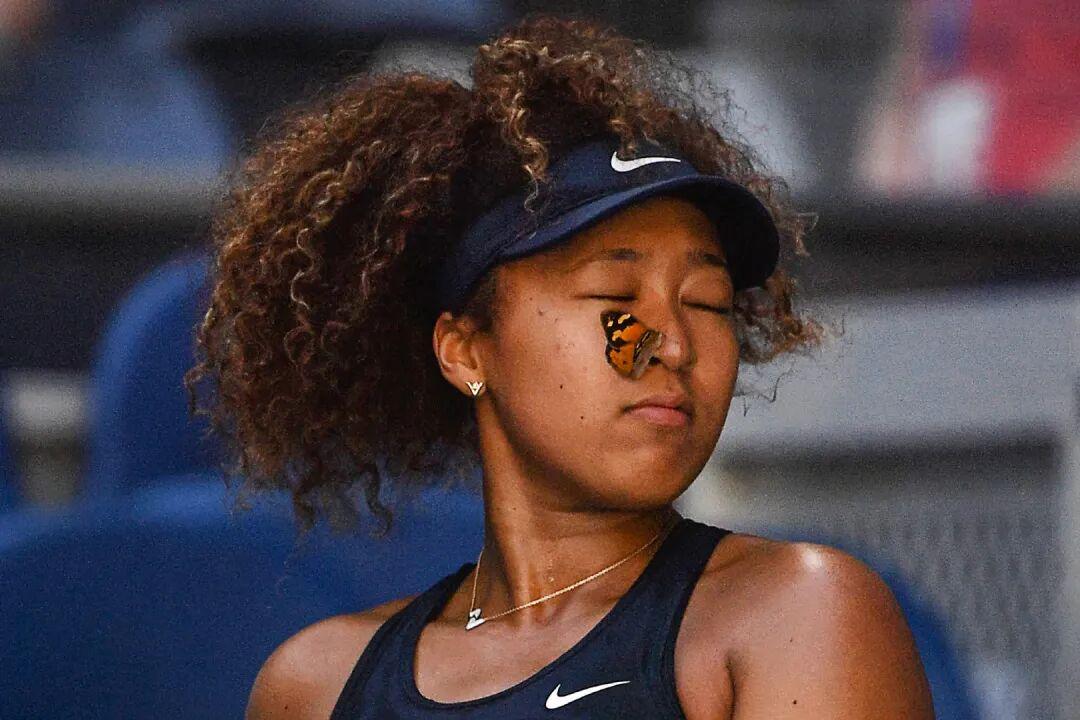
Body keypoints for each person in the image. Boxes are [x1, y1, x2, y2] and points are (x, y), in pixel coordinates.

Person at [185, 13, 935, 719]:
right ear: (465, 349)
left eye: (708, 304)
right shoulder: (318, 685)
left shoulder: (799, 612)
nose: (674, 344)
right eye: (614, 296)